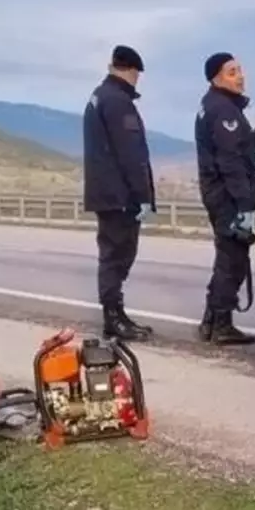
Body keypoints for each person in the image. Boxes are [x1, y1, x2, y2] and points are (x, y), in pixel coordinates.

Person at [82, 45, 155, 342]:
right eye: (137, 74)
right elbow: (131, 154)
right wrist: (143, 195)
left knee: (114, 254)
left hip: (107, 191)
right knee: (117, 256)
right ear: (132, 71)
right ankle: (113, 318)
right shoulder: (117, 101)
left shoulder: (100, 96)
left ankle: (116, 314)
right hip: (119, 195)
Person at [194, 52, 255, 346]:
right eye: (233, 72)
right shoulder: (223, 111)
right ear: (216, 78)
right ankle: (220, 323)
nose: (241, 75)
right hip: (227, 196)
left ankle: (211, 320)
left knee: (227, 258)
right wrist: (244, 203)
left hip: (220, 193)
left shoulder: (215, 105)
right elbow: (230, 161)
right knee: (232, 260)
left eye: (240, 69)